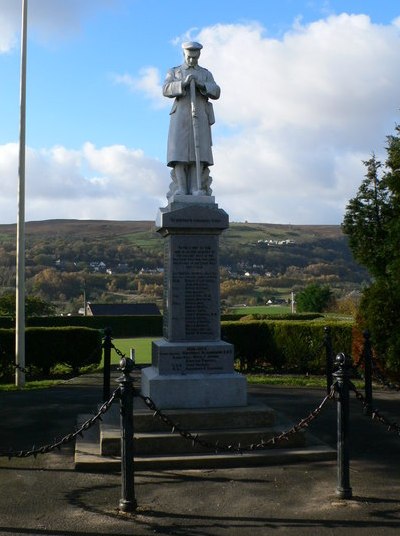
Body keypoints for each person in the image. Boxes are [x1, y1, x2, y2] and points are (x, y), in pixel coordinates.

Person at [163, 41, 220, 197]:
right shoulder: (175, 72)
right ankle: (181, 187)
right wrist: (183, 83)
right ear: (184, 54)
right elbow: (166, 89)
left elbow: (216, 91)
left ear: (199, 56)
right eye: (189, 57)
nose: (191, 61)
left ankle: (197, 188)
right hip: (180, 116)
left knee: (199, 153)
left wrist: (202, 85)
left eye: (194, 58)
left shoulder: (205, 73)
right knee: (179, 153)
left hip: (200, 115)